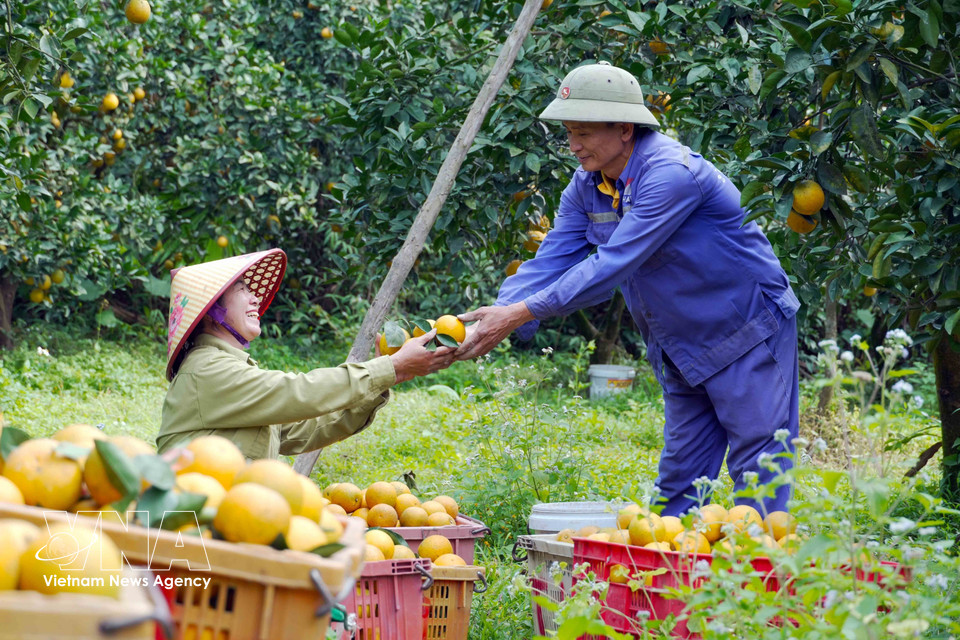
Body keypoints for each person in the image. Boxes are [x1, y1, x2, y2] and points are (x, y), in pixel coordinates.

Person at [456, 62, 800, 517]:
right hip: (680, 346)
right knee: (678, 484)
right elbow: (551, 259)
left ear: (624, 129)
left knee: (758, 475)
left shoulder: (670, 175)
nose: (573, 145)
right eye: (568, 132)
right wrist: (494, 318)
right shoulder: (587, 187)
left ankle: (759, 582)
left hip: (745, 332)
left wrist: (519, 314)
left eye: (583, 132)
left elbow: (610, 267)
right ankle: (672, 585)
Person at [157, 248, 455, 460]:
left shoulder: (227, 369)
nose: (255, 297)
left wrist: (393, 373)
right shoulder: (207, 370)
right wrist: (388, 366)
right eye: (241, 290)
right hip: (195, 531)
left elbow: (305, 430)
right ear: (212, 312)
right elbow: (300, 391)